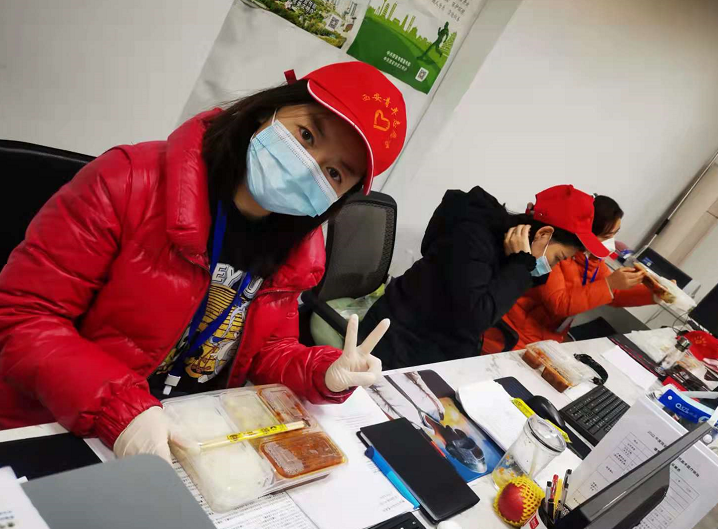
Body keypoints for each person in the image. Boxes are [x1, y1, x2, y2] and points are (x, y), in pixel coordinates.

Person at [0, 61, 408, 463]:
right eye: (306, 135)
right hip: (64, 420)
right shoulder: (128, 180)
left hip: (191, 432)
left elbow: (265, 350)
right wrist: (119, 410)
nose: (308, 167)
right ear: (269, 109)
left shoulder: (298, 251)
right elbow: (23, 319)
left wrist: (322, 371)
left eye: (334, 173)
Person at [359, 184, 608, 369]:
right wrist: (521, 265)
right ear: (543, 234)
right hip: (398, 339)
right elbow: (475, 317)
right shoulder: (473, 238)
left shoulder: (507, 248)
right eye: (558, 258)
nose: (552, 267)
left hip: (437, 344)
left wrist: (523, 265)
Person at [482, 195, 655, 352]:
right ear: (589, 234)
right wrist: (609, 284)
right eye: (607, 236)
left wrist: (654, 293)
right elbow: (559, 303)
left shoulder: (591, 260)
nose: (611, 242)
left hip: (546, 337)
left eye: (614, 234)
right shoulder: (556, 254)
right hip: (514, 332)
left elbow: (612, 293)